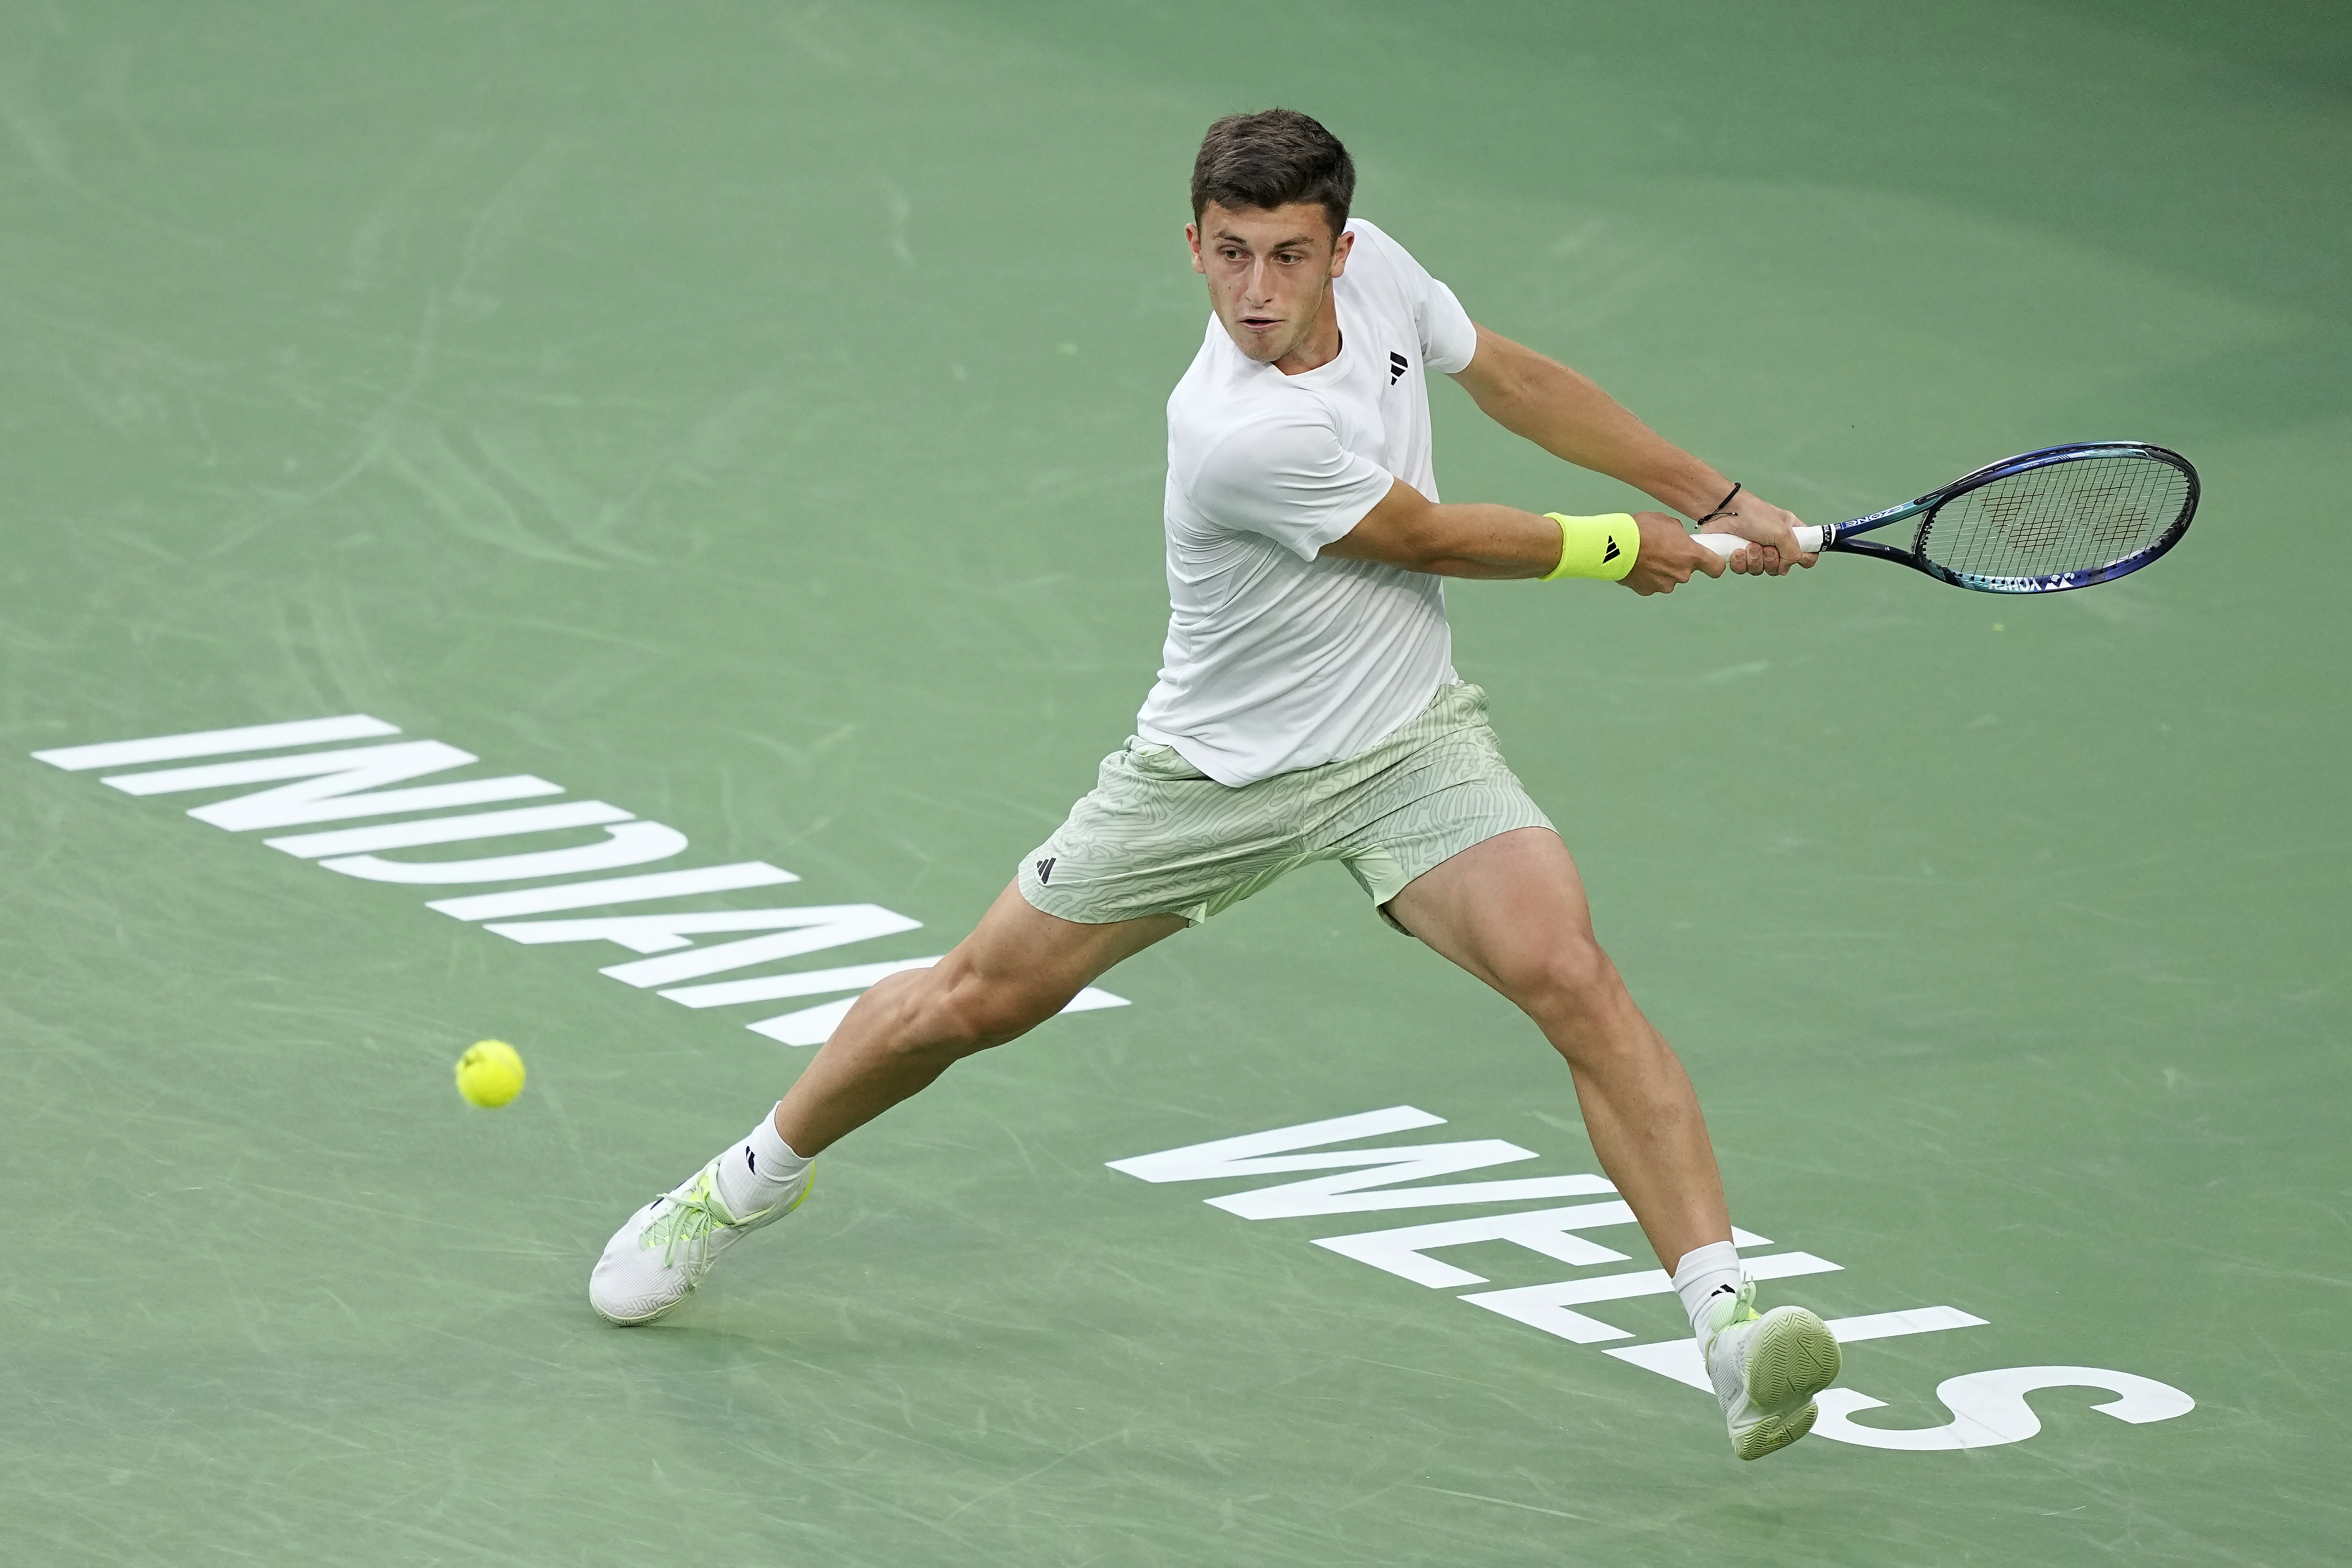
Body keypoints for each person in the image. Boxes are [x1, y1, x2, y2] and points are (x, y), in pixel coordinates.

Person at [591, 108, 1840, 1460]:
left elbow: (1515, 381)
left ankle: (1728, 1330)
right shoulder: (1236, 431)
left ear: (1341, 250)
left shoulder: (1386, 277)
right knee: (969, 1004)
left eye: (1288, 256)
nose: (1256, 291)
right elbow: (1423, 536)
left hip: (1407, 746)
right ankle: (742, 1183)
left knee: (1573, 977)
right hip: (1215, 776)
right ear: (1192, 245)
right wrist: (1620, 545)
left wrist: (1711, 493)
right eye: (1230, 254)